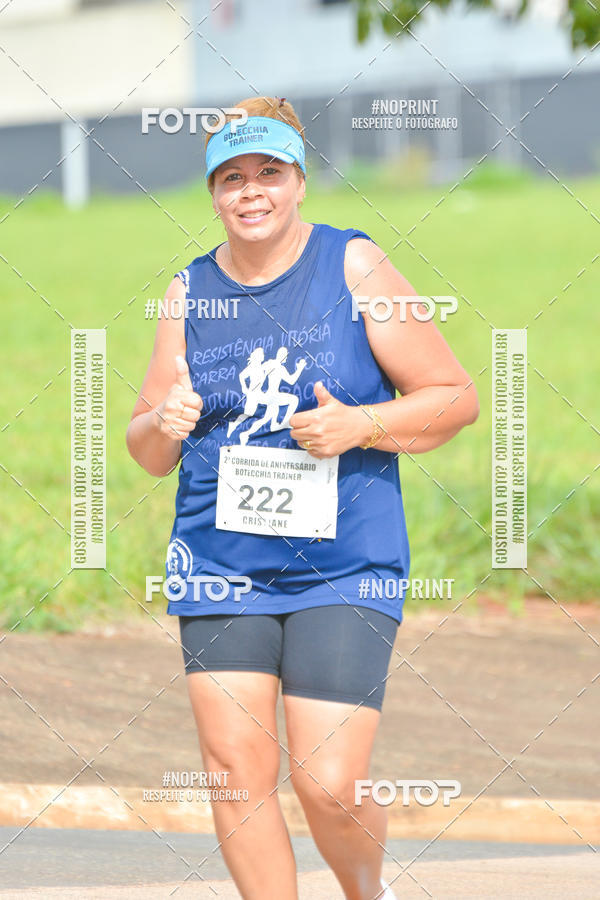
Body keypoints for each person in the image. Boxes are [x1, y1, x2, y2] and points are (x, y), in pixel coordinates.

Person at [126, 96, 479, 900]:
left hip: (343, 564)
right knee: (234, 774)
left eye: (269, 174)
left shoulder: (353, 265)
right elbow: (146, 449)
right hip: (222, 564)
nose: (251, 192)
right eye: (233, 178)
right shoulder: (187, 293)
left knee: (327, 782)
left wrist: (362, 423)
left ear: (299, 182)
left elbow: (454, 397)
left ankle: (366, 891)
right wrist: (167, 421)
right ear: (214, 193)